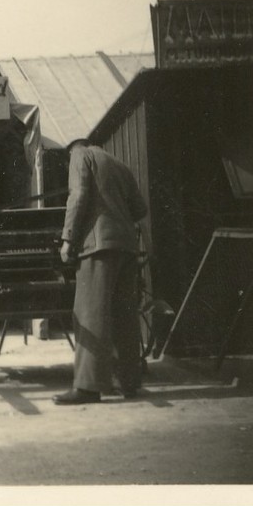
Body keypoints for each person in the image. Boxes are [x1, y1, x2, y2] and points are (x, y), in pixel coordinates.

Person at [54, 138, 149, 405]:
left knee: (90, 315)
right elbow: (140, 208)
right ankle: (128, 382)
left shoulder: (78, 155)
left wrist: (68, 239)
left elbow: (79, 195)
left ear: (70, 150)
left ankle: (87, 387)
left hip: (97, 247)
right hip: (126, 247)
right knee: (124, 316)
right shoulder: (118, 163)